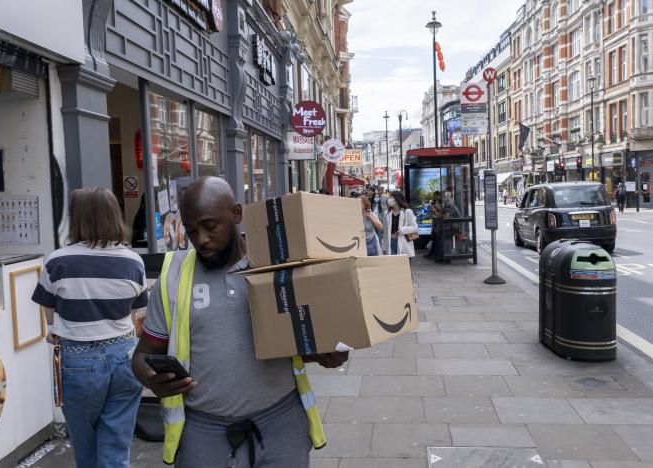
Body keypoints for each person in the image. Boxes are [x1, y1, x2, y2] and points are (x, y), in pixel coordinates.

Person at [131, 177, 347, 467]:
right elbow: (143, 354)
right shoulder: (172, 277)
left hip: (281, 426)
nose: (201, 240)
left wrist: (326, 352)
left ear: (236, 213)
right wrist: (151, 378)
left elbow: (309, 335)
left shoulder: (278, 264)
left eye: (210, 226)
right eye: (192, 230)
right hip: (203, 436)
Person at [31, 187, 147, 468]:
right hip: (125, 358)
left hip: (78, 361)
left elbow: (48, 309)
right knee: (116, 450)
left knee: (86, 448)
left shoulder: (58, 260)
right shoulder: (134, 261)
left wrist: (53, 327)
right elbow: (137, 314)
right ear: (114, 216)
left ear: (77, 219)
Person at [382, 190, 418, 259]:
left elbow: (415, 228)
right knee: (393, 267)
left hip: (404, 242)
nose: (389, 200)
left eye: (391, 197)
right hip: (391, 243)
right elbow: (385, 232)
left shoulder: (407, 212)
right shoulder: (387, 213)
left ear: (398, 199)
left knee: (405, 268)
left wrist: (402, 230)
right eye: (389, 197)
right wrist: (384, 248)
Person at [425, 191, 442, 259]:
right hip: (435, 220)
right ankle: (432, 253)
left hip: (439, 222)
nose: (434, 197)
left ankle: (435, 254)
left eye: (435, 196)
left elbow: (440, 214)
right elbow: (432, 211)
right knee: (433, 237)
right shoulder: (434, 202)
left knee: (436, 237)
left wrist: (434, 209)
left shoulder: (441, 203)